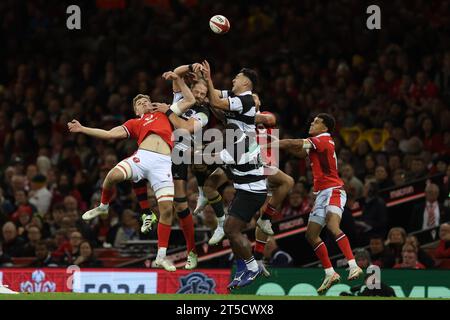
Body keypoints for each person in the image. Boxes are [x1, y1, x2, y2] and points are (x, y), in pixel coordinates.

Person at [67, 72, 195, 272]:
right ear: (136, 110)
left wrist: (176, 80)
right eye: (140, 103)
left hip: (163, 163)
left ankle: (161, 257)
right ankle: (103, 206)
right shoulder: (134, 123)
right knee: (111, 176)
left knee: (167, 210)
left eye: (146, 100)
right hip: (143, 157)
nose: (144, 103)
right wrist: (83, 128)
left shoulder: (164, 113)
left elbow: (190, 99)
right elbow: (109, 134)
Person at [271, 113, 363, 294]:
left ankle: (353, 265)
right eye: (312, 120)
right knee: (311, 235)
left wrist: (270, 144)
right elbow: (298, 151)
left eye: (317, 122)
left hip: (334, 190)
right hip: (321, 193)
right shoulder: (316, 143)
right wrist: (283, 146)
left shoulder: (323, 140)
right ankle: (330, 272)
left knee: (332, 224)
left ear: (325, 128)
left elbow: (293, 143)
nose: (312, 123)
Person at [149, 64, 211, 269]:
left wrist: (167, 112)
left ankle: (191, 251)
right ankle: (162, 250)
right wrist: (191, 66)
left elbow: (184, 127)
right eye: (197, 91)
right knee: (166, 204)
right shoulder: (180, 98)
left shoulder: (203, 113)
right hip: (159, 150)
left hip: (179, 153)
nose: (200, 95)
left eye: (203, 93)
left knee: (181, 205)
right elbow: (176, 72)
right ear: (191, 89)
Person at [202, 123, 268, 289]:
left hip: (251, 193)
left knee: (231, 230)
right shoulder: (246, 140)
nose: (224, 139)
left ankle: (253, 268)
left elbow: (208, 158)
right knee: (230, 231)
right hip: (247, 190)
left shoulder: (236, 150)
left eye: (226, 136)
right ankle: (241, 269)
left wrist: (191, 152)